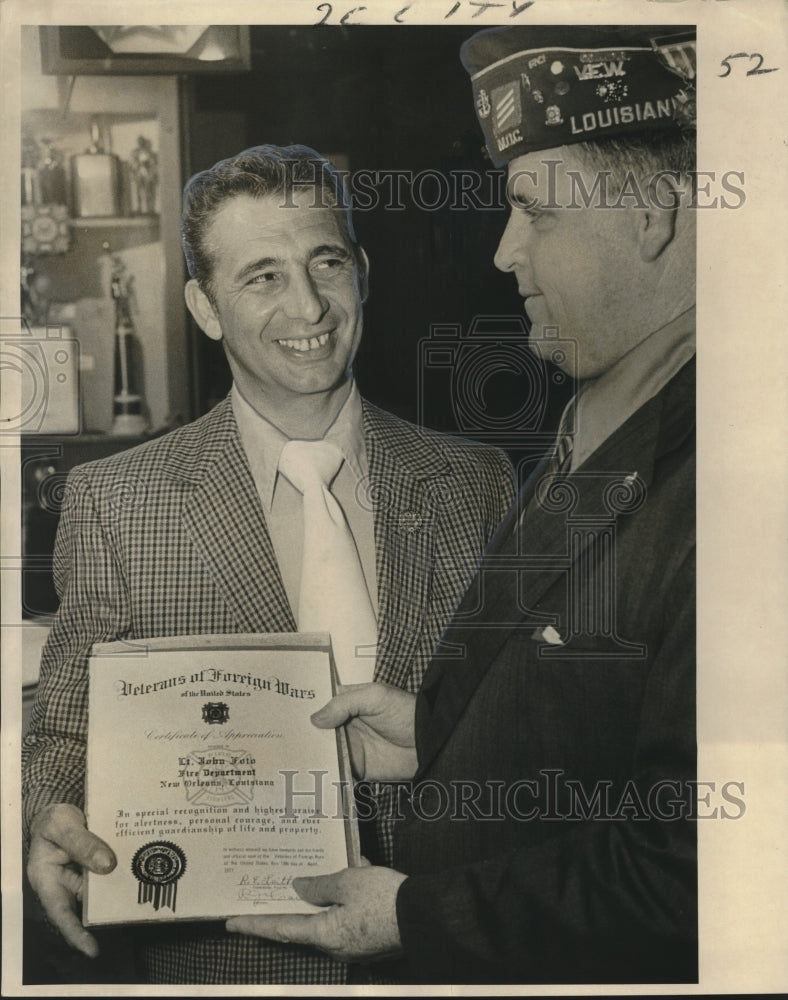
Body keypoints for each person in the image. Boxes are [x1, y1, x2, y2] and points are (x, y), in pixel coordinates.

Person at [225, 26, 699, 985]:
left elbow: (699, 868)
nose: (502, 250)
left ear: (649, 213)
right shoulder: (604, 411)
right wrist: (437, 732)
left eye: (533, 211)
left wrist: (413, 912)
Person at [21, 144, 515, 985]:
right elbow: (67, 725)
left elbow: (534, 721)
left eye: (326, 262)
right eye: (262, 277)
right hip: (231, 961)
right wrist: (52, 808)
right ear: (205, 307)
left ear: (361, 273)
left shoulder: (477, 483)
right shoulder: (117, 500)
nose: (308, 303)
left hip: (453, 945)